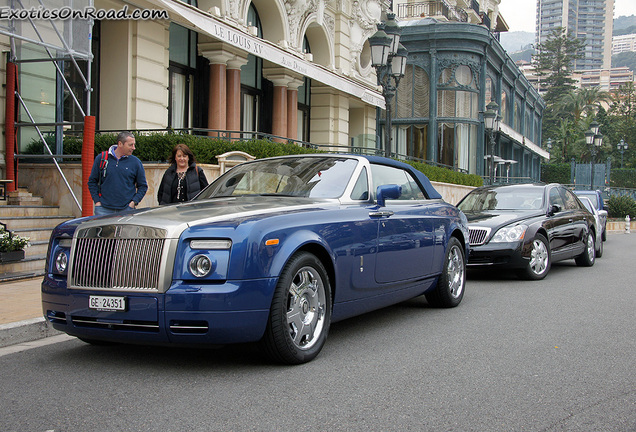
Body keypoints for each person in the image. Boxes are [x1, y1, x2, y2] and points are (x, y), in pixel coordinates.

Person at [88, 131, 148, 216]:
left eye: (134, 144)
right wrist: (97, 201)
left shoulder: (136, 162)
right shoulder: (101, 159)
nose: (134, 148)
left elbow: (143, 186)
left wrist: (133, 203)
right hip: (103, 210)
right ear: (120, 144)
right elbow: (92, 182)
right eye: (130, 145)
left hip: (127, 210)